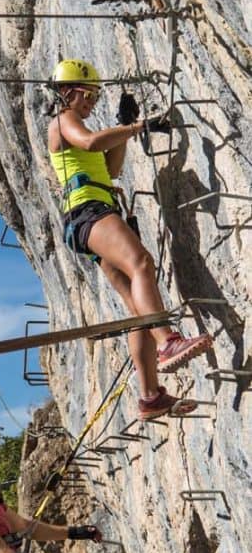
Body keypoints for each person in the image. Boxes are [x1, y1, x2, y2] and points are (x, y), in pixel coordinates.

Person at [46, 59, 210, 419]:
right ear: (68, 91)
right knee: (141, 264)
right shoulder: (62, 121)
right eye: (87, 95)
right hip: (89, 211)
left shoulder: (74, 123)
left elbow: (111, 168)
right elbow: (90, 142)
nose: (90, 102)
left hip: (87, 215)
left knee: (137, 312)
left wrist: (125, 129)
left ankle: (150, 396)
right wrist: (138, 126)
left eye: (94, 96)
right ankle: (168, 341)